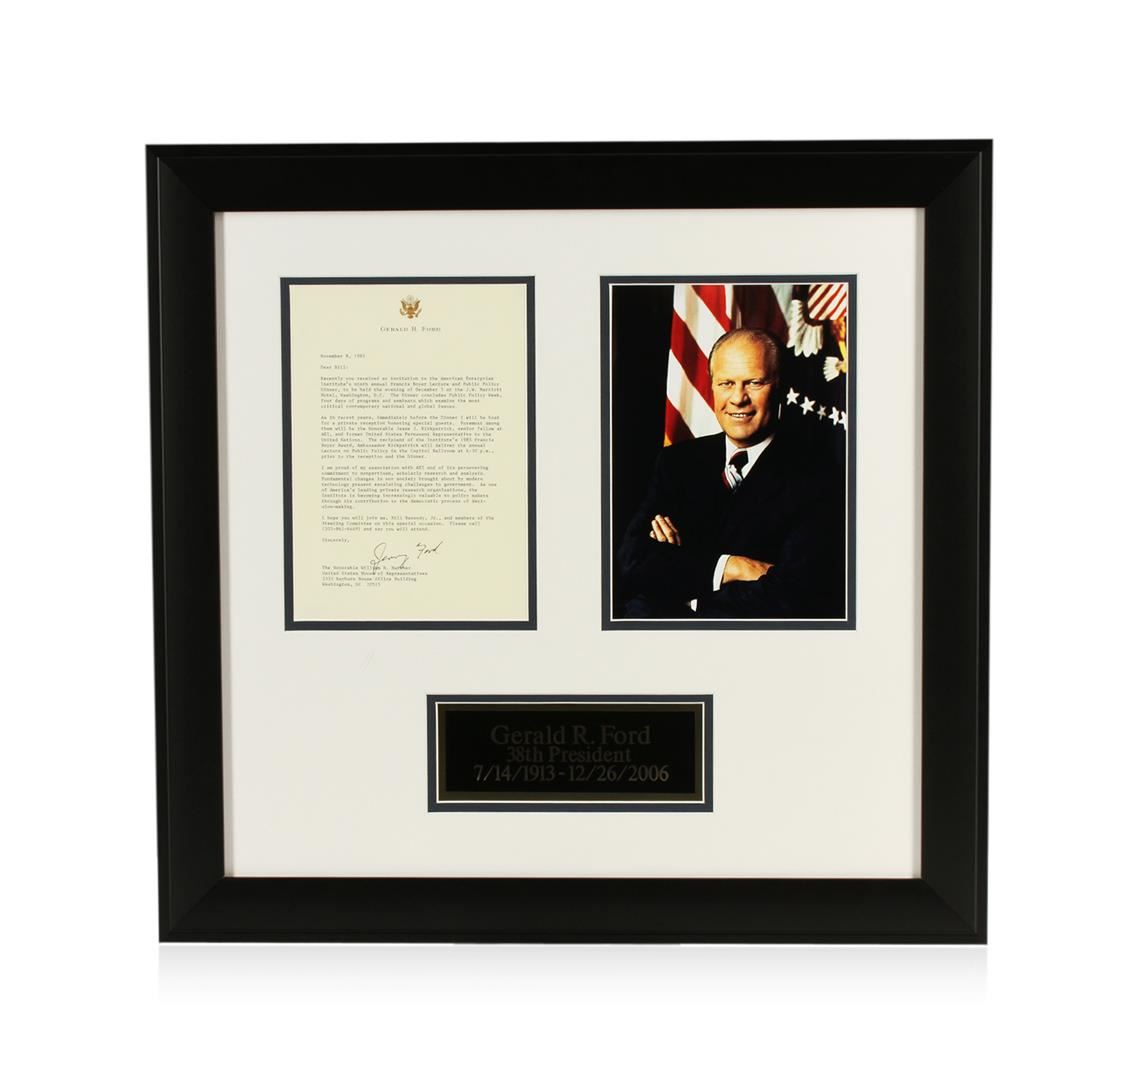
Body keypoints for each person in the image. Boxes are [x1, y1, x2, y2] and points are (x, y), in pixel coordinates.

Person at [617, 327, 845, 619]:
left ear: (780, 386)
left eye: (754, 382)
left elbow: (797, 593)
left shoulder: (819, 476)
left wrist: (683, 591)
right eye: (726, 383)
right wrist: (732, 566)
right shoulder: (678, 462)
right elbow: (631, 561)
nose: (738, 398)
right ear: (712, 387)